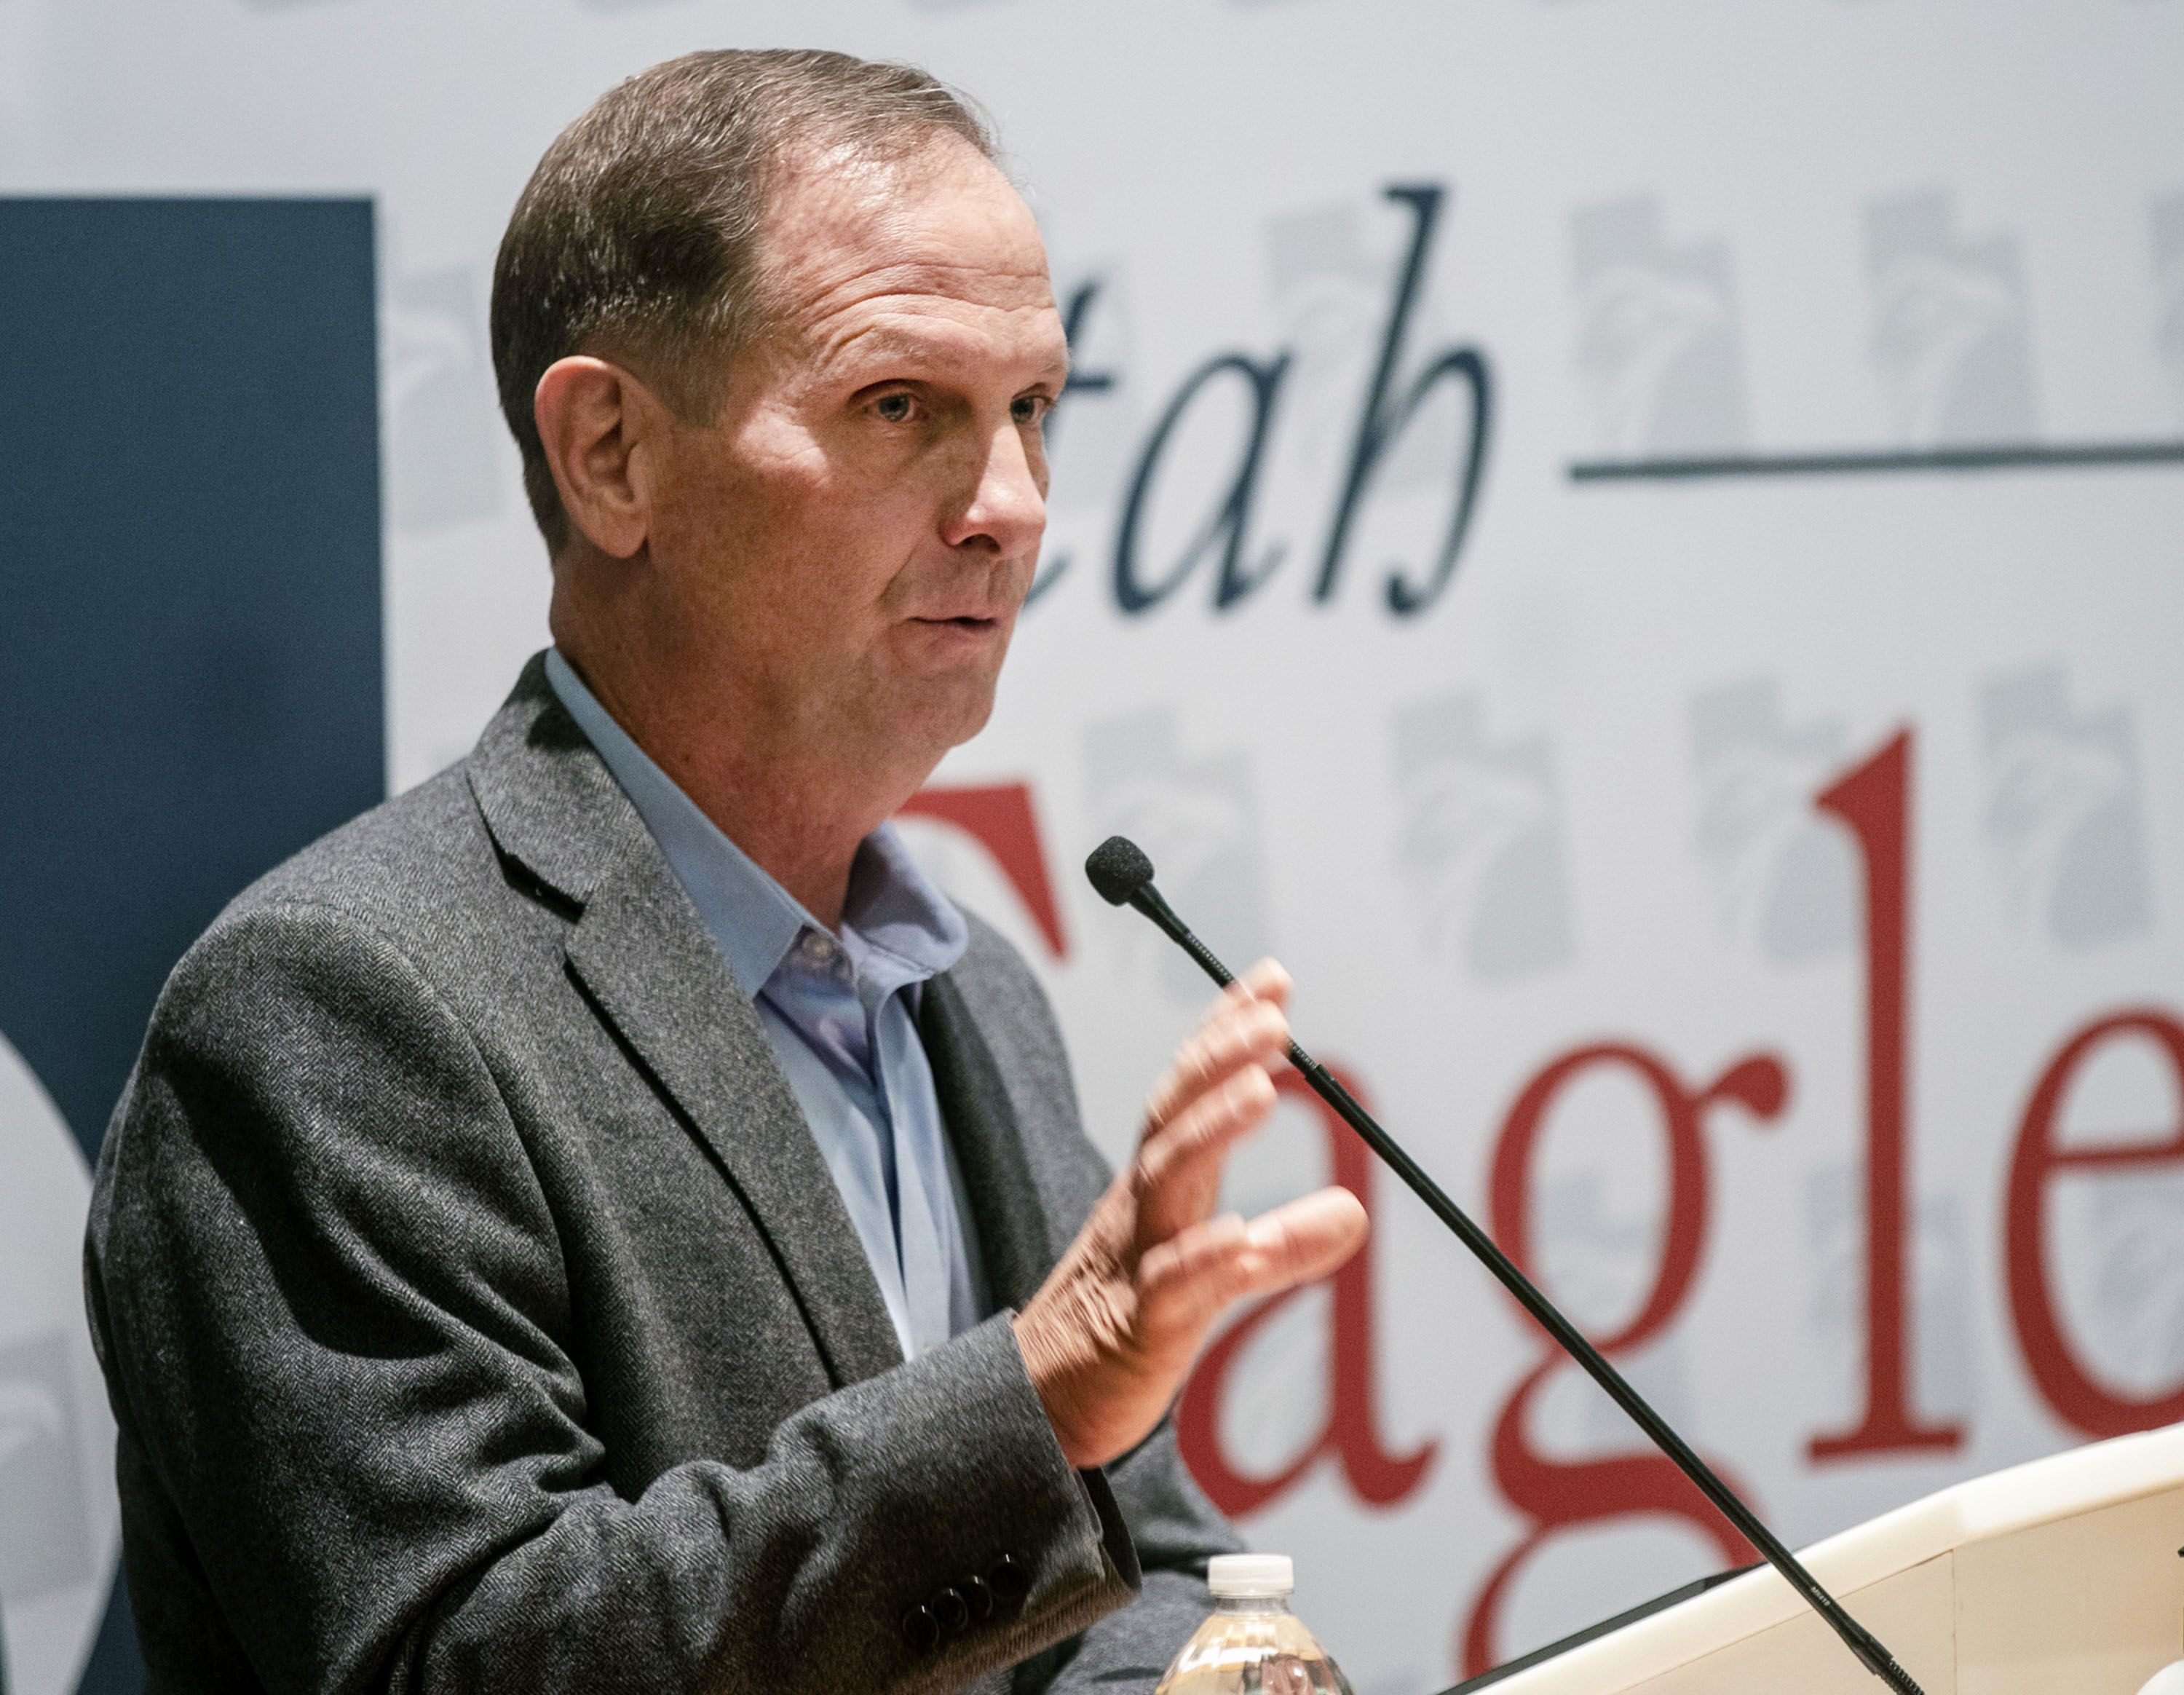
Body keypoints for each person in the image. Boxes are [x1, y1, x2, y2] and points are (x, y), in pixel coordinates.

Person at [84, 47, 1368, 1695]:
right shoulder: (338, 1013)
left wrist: (1221, 1663)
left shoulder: (979, 996)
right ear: (611, 454)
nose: (1011, 507)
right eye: (901, 406)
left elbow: (1115, 1557)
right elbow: (468, 1661)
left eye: (1033, 410)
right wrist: (1035, 1400)